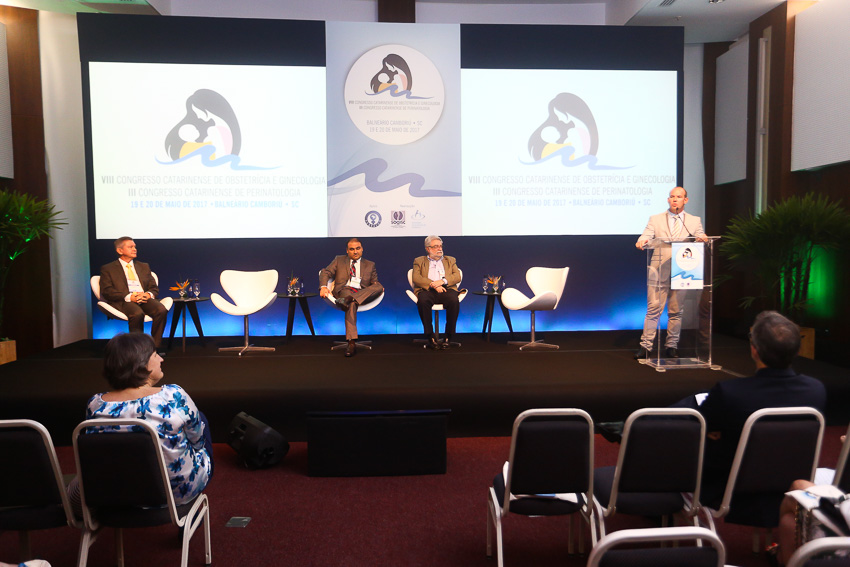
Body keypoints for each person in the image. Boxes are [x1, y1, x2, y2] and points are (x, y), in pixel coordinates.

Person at [677, 311, 827, 507]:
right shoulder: (816, 390)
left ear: (754, 350)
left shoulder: (730, 393)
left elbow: (703, 429)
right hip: (789, 483)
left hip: (728, 489)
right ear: (797, 351)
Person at [68, 332, 212, 512]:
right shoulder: (173, 396)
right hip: (172, 494)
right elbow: (197, 442)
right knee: (200, 420)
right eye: (155, 355)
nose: (161, 359)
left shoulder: (95, 404)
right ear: (141, 363)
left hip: (115, 493)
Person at [634, 186, 707, 359]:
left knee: (676, 310)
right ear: (668, 200)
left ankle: (672, 346)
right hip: (659, 267)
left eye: (679, 197)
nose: (675, 199)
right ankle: (646, 346)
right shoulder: (656, 219)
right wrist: (642, 241)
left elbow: (701, 235)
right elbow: (645, 235)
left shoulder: (694, 220)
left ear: (685, 200)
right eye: (672, 196)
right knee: (654, 308)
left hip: (684, 267)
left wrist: (702, 238)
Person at [99, 237, 168, 351]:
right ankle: (138, 349)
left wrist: (148, 294)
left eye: (135, 247)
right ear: (120, 250)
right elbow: (107, 291)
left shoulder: (144, 266)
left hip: (143, 298)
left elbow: (154, 288)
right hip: (124, 300)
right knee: (137, 314)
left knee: (161, 310)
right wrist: (129, 297)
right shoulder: (108, 268)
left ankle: (154, 348)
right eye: (130, 247)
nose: (134, 249)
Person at [319, 238, 384, 357]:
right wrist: (323, 286)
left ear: (362, 249)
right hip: (344, 290)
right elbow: (325, 272)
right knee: (352, 303)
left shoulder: (370, 264)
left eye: (358, 248)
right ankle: (351, 342)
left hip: (362, 293)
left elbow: (374, 283)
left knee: (379, 286)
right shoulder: (339, 260)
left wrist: (375, 287)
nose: (355, 252)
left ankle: (349, 299)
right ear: (347, 251)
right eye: (352, 249)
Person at [412, 235, 462, 349]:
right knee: (423, 301)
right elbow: (416, 278)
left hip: (446, 289)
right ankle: (431, 337)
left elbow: (457, 276)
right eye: (435, 246)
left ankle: (448, 336)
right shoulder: (419, 261)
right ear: (428, 249)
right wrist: (433, 285)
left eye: (440, 246)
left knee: (454, 300)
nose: (439, 249)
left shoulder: (450, 260)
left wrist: (442, 281)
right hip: (427, 290)